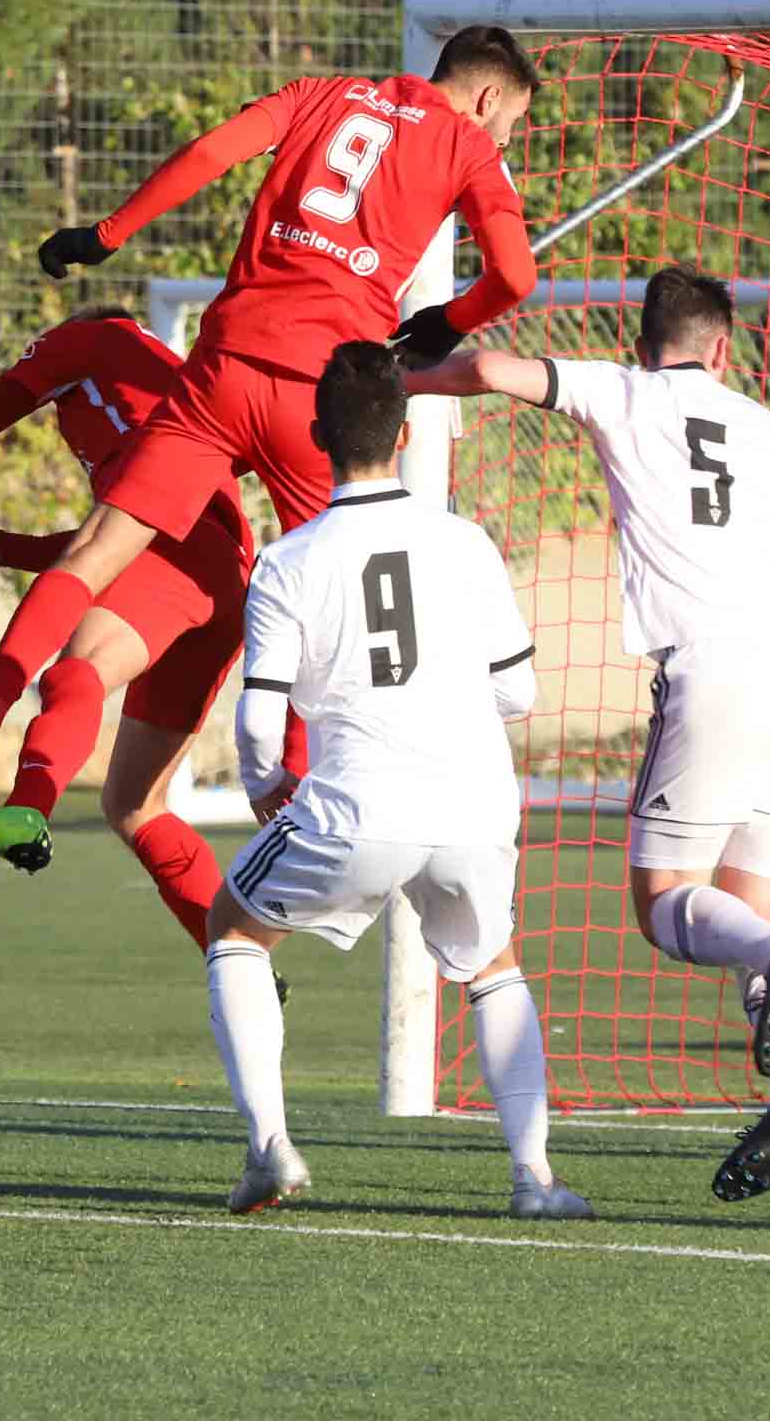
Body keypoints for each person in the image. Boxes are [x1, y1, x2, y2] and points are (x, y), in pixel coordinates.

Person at [0, 28, 544, 827]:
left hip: (223, 368)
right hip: (323, 394)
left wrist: (106, 235)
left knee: (96, 550)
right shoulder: (469, 146)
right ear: (488, 98)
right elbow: (515, 276)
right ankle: (304, 799)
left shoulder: (320, 93)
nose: (503, 139)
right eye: (509, 123)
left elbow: (209, 153)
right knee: (326, 589)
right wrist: (449, 320)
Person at [407, 265, 770, 1203]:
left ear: (642, 338)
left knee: (666, 906)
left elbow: (492, 370)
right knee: (750, 910)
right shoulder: (763, 424)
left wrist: (400, 379)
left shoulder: (626, 391)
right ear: (724, 348)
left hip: (713, 673)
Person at [199, 343, 588, 1221]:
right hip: (476, 804)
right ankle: (536, 1181)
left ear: (314, 439)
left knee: (234, 928)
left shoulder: (290, 560)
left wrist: (266, 784)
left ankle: (272, 1151)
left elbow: (261, 720)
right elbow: (518, 692)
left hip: (357, 808)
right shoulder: (467, 541)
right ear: (407, 434)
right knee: (494, 967)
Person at [0, 308, 251, 947]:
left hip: (181, 554)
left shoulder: (96, 338)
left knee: (76, 672)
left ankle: (22, 799)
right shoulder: (175, 389)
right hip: (224, 578)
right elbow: (120, 540)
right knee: (135, 806)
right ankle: (241, 964)